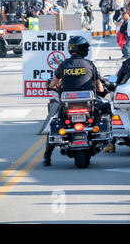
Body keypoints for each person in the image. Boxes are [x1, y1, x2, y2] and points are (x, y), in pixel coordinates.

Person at [44, 36, 111, 166]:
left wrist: (50, 87)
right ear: (83, 49)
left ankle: (47, 158)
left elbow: (53, 84)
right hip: (89, 105)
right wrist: (103, 91)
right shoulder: (89, 64)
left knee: (54, 122)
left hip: (67, 106)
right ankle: (111, 142)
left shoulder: (64, 64)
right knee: (107, 106)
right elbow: (99, 87)